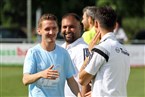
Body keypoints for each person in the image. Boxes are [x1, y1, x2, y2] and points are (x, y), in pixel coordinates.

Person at [22, 13, 82, 97]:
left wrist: (79, 95)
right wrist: (41, 74)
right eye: (47, 29)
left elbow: (70, 80)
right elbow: (25, 79)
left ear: (58, 30)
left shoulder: (64, 53)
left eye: (54, 28)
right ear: (39, 31)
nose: (51, 32)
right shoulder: (33, 53)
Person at [79, 6, 130, 97]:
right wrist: (96, 91)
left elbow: (82, 79)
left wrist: (89, 53)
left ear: (96, 24)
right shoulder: (125, 51)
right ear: (115, 26)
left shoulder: (102, 48)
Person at [61, 13, 89, 97]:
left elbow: (86, 79)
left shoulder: (83, 49)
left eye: (72, 27)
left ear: (80, 27)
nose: (67, 30)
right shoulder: (60, 48)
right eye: (64, 27)